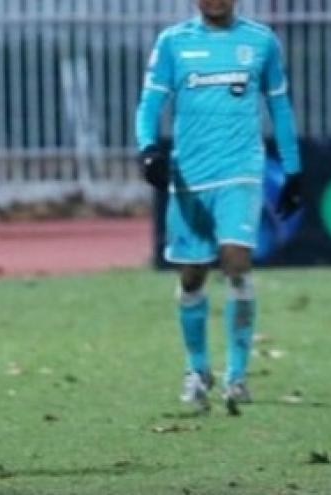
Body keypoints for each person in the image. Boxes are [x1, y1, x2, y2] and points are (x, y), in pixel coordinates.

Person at [135, 0, 302, 414]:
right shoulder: (173, 42)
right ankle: (197, 370)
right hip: (190, 175)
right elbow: (150, 104)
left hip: (241, 169)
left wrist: (293, 168)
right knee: (192, 276)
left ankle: (237, 376)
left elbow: (279, 106)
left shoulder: (261, 41)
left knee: (236, 260)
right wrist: (148, 149)